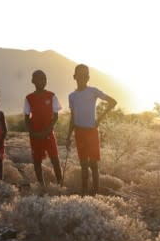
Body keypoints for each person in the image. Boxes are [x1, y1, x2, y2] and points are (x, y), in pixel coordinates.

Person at [64, 64, 117, 195]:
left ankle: (95, 193)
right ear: (74, 77)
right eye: (79, 76)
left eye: (84, 76)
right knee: (83, 165)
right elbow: (73, 117)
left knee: (93, 165)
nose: (81, 78)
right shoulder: (72, 96)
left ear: (88, 77)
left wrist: (99, 119)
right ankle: (84, 193)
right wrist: (68, 136)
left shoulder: (93, 91)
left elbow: (113, 102)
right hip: (78, 132)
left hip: (91, 132)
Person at [24, 70, 63, 190]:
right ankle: (42, 187)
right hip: (35, 135)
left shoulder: (52, 96)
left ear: (46, 81)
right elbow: (26, 118)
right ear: (32, 81)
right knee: (37, 161)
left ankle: (60, 185)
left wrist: (47, 131)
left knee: (55, 159)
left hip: (48, 133)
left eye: (43, 79)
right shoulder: (29, 98)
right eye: (38, 78)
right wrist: (33, 132)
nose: (41, 81)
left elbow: (55, 117)